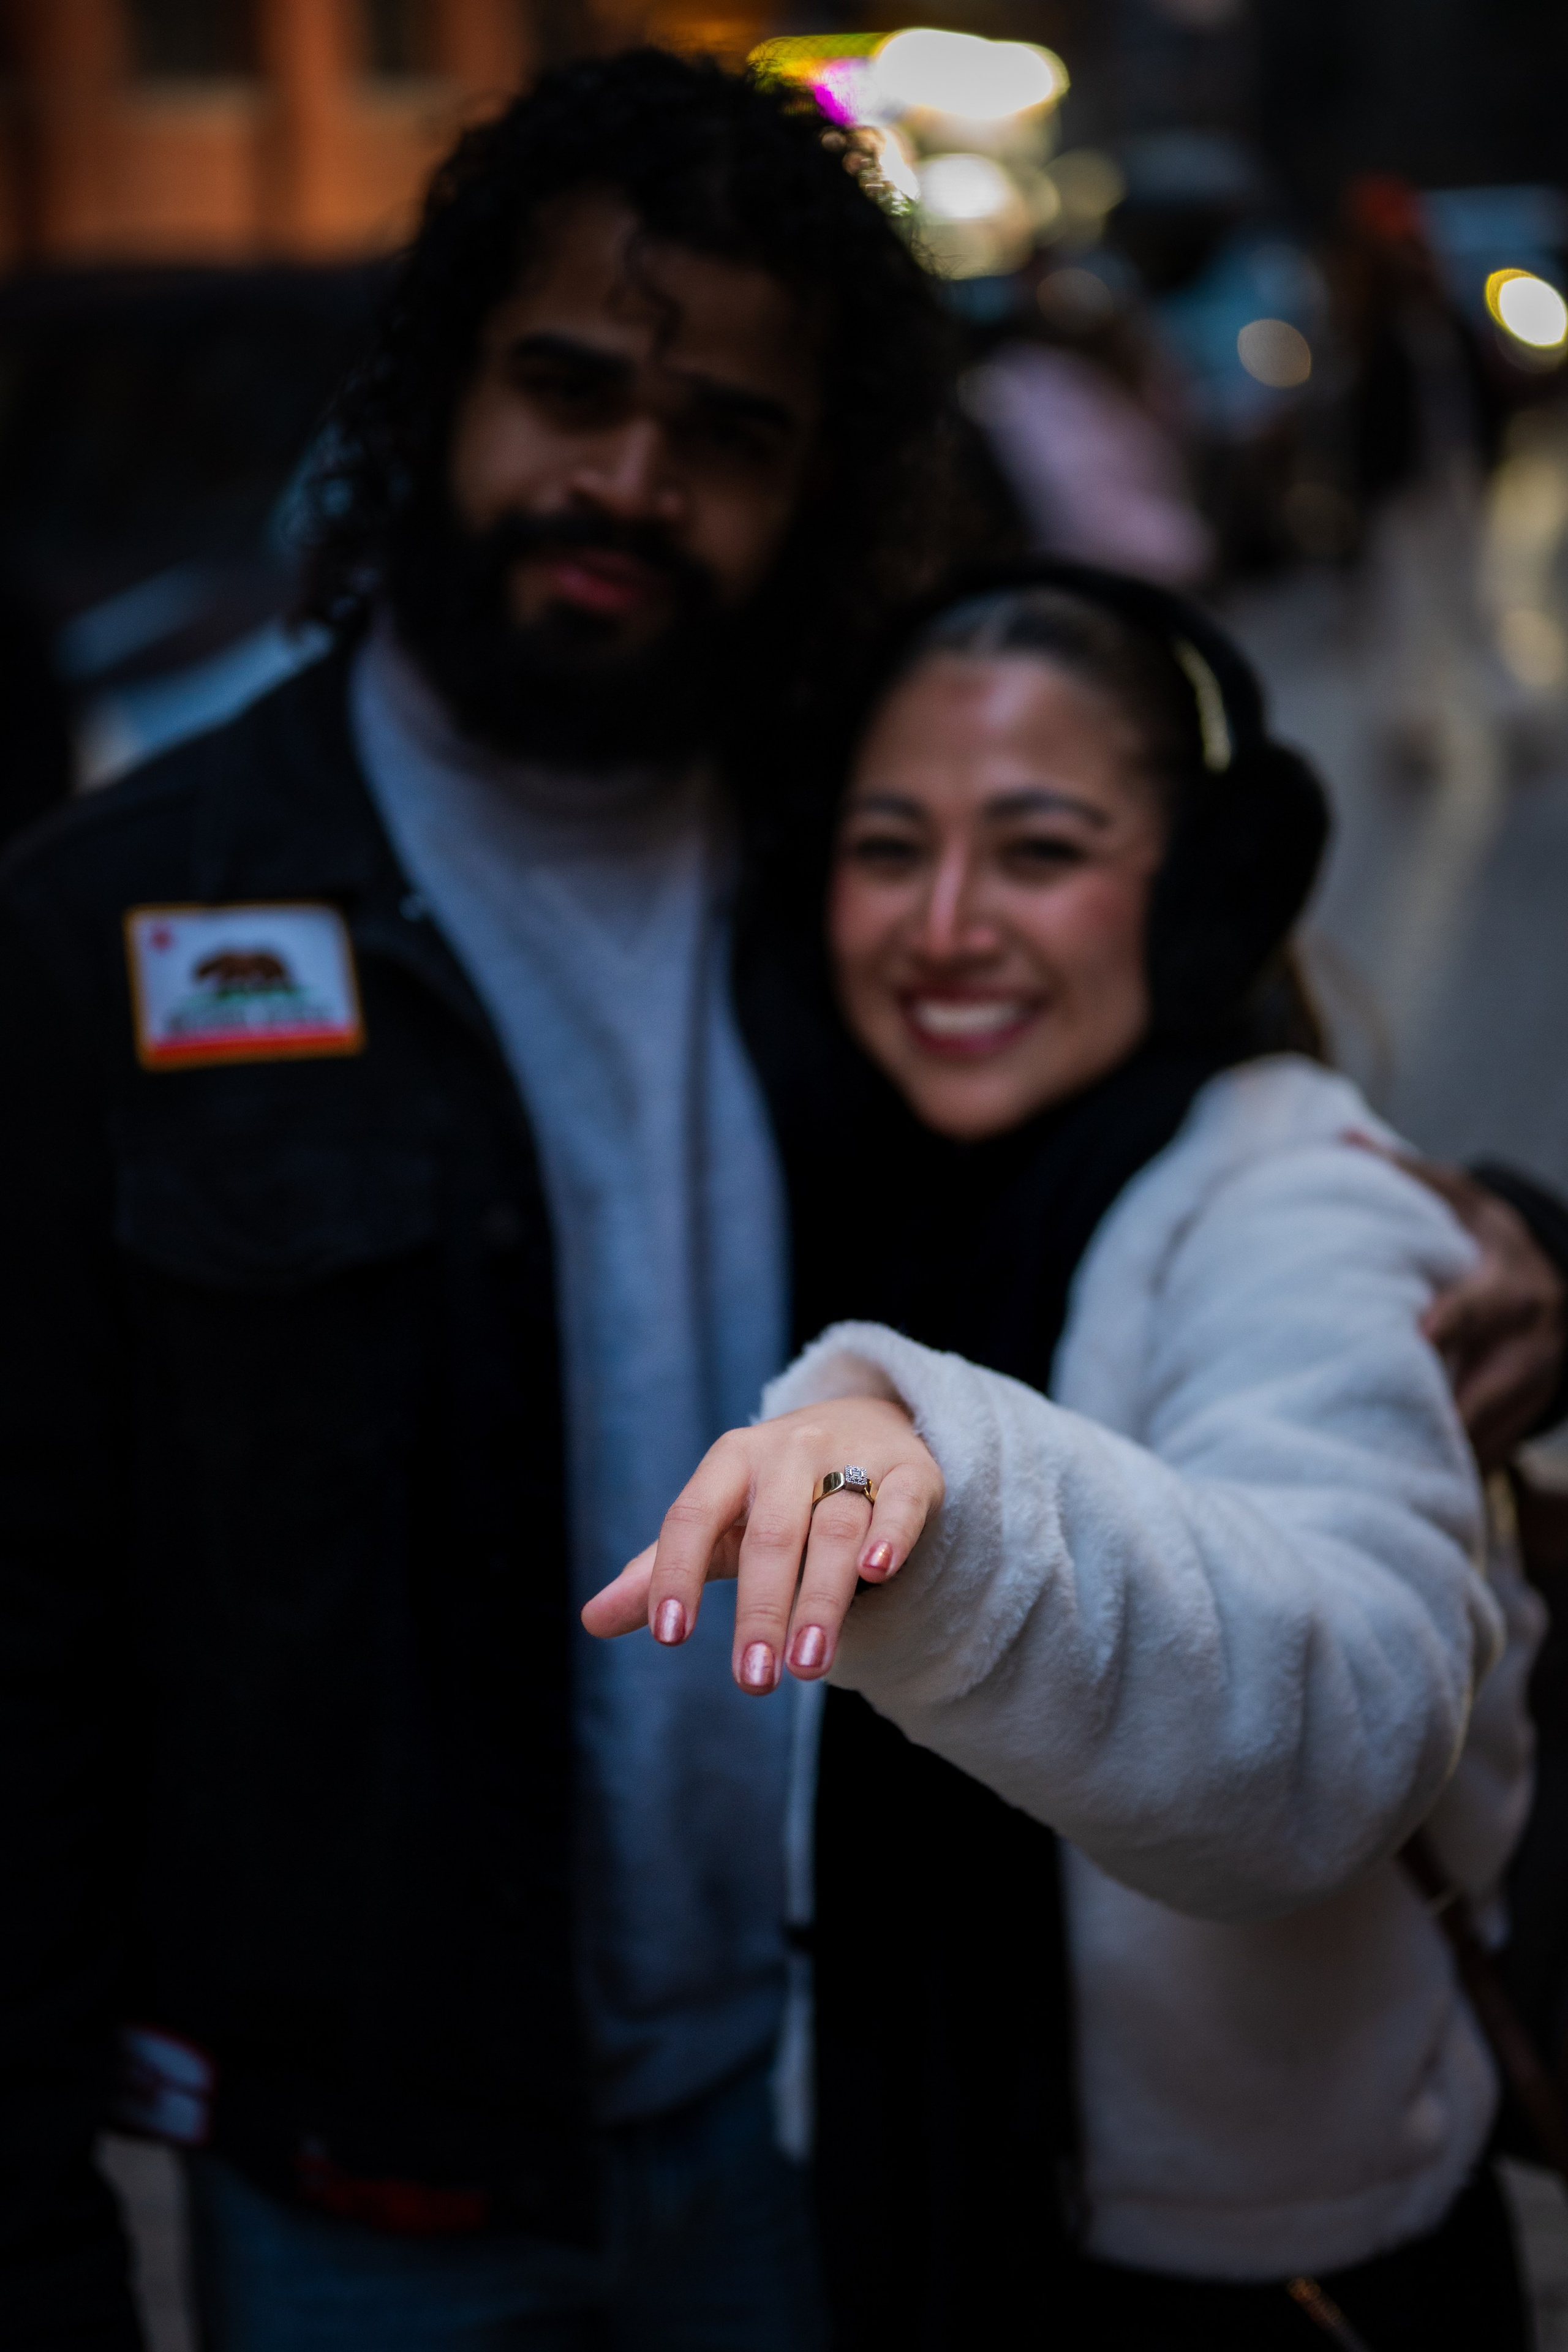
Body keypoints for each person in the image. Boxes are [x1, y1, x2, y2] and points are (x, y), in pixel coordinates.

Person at [0, 50, 1561, 2352]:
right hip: (363, 2192)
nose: (631, 475)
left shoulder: (836, 867)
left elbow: (1191, 1146)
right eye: (570, 385)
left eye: (726, 428)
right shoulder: (123, 921)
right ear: (440, 391)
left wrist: (1512, 1232)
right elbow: (24, 1620)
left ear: (813, 483)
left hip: (815, 2132)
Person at [587, 565, 1548, 2350]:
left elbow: (1337, 1722)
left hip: (1273, 2298)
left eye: (1037, 850)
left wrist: (946, 1514)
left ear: (1196, 893)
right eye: (889, 850)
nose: (944, 923)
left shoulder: (1306, 1207)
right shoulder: (875, 1190)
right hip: (913, 2234)